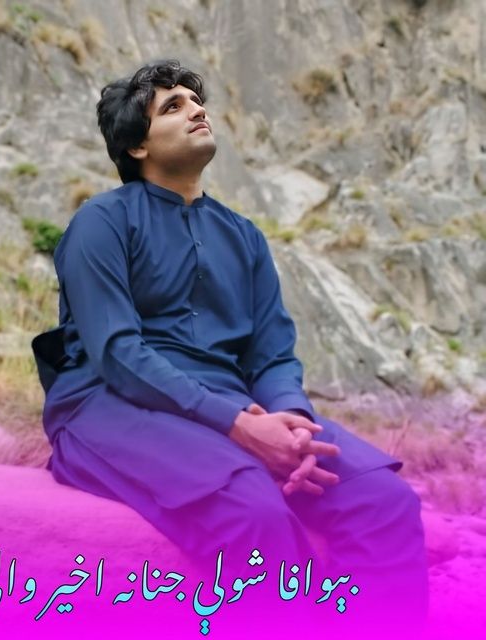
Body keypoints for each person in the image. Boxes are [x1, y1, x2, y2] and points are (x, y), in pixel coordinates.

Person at [33, 59, 428, 638]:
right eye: (173, 106)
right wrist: (239, 425)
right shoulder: (101, 223)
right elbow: (116, 352)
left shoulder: (243, 236)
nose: (197, 110)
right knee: (252, 512)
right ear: (137, 146)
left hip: (236, 404)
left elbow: (272, 354)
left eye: (196, 101)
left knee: (383, 501)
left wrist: (292, 422)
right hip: (108, 404)